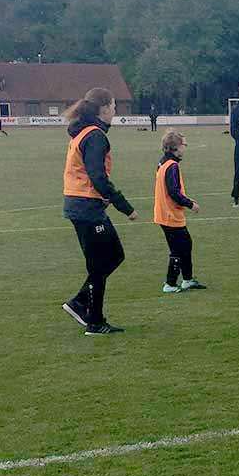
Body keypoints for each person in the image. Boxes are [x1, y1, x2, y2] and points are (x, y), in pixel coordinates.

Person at [60, 87, 137, 335]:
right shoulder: (94, 136)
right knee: (100, 263)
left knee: (113, 255)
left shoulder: (84, 132)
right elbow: (97, 176)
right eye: (113, 106)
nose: (115, 111)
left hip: (82, 205)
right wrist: (124, 206)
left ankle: (81, 303)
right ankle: (94, 321)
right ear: (104, 108)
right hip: (86, 208)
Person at [154, 129, 207, 293]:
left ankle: (187, 280)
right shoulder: (172, 166)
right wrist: (190, 204)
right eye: (184, 144)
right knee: (179, 248)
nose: (186, 147)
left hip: (165, 214)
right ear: (176, 147)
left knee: (185, 244)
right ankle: (170, 284)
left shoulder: (163, 162)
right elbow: (174, 192)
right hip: (170, 215)